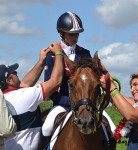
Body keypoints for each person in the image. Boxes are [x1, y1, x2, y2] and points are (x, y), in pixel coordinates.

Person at [42, 11, 116, 144]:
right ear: (61, 33)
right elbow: (50, 88)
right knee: (46, 128)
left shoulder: (85, 53)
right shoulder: (51, 56)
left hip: (88, 103)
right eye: (71, 34)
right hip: (62, 104)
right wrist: (72, 102)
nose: (75, 37)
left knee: (112, 129)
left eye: (77, 33)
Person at [0, 42, 64, 150]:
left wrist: (41, 62)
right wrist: (59, 53)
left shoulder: (5, 99)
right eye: (14, 72)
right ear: (9, 81)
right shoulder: (24, 97)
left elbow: (25, 84)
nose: (17, 73)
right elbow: (56, 81)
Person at [100, 71, 138, 150]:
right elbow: (119, 100)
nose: (132, 89)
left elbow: (131, 114)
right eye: (131, 86)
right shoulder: (137, 105)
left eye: (135, 84)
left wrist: (111, 88)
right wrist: (103, 73)